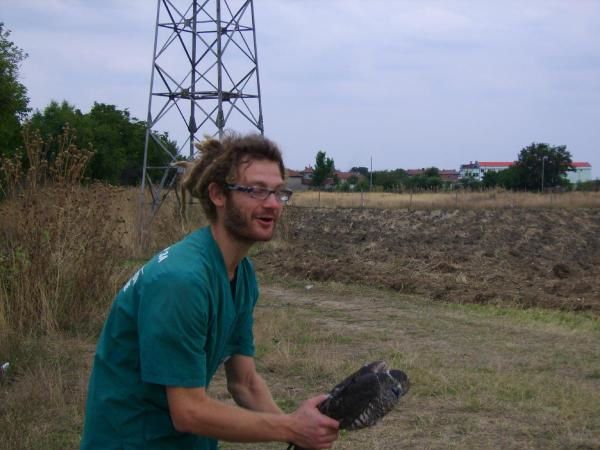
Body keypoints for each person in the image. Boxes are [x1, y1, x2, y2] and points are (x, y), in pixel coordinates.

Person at [80, 134, 339, 449]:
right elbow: (188, 411)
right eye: (256, 190)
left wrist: (299, 435)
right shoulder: (181, 280)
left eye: (278, 192)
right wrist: (290, 428)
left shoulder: (240, 273)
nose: (272, 204)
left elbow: (244, 383)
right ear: (218, 194)